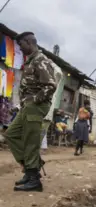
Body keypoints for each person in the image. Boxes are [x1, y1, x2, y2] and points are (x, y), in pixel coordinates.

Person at [4, 32, 57, 192]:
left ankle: (34, 180)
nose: (20, 48)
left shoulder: (41, 60)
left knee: (30, 141)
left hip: (36, 106)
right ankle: (31, 168)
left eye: (21, 45)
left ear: (29, 42)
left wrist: (34, 100)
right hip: (27, 107)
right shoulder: (31, 61)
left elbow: (50, 85)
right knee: (11, 134)